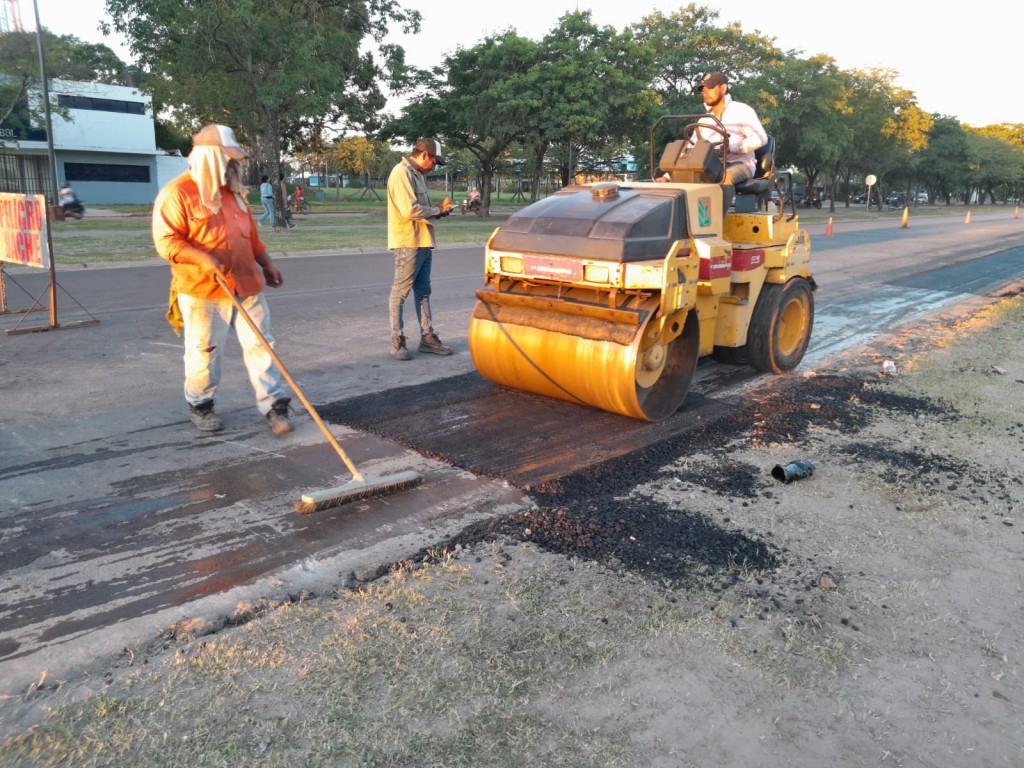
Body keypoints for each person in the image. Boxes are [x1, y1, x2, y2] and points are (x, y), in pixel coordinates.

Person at [153, 124, 293, 436]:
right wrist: (201, 257)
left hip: (246, 284)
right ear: (210, 160)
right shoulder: (177, 194)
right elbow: (167, 242)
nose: (234, 166)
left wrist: (267, 263)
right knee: (205, 351)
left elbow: (251, 238)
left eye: (234, 161)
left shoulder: (234, 194)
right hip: (203, 290)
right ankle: (200, 403)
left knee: (262, 345)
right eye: (228, 161)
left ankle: (274, 404)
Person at [385, 137, 455, 361]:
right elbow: (410, 210)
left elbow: (422, 210)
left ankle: (427, 337)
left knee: (423, 292)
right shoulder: (401, 173)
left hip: (423, 241)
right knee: (400, 292)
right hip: (408, 242)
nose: (434, 167)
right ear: (424, 154)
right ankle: (397, 339)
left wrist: (440, 212)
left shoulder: (416, 174)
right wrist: (437, 210)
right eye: (434, 161)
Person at [659, 71, 767, 187]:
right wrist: (668, 176)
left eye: (710, 88)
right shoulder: (704, 120)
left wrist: (730, 147)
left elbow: (761, 138)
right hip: (709, 166)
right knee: (680, 177)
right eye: (703, 90)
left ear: (723, 88)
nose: (705, 92)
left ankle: (722, 200)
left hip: (739, 164)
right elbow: (691, 150)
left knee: (724, 178)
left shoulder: (741, 110)